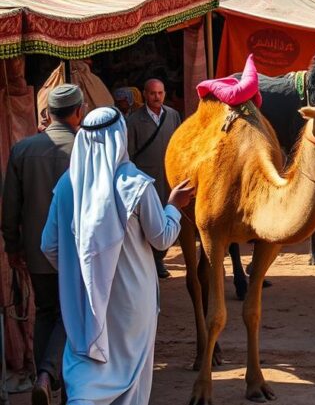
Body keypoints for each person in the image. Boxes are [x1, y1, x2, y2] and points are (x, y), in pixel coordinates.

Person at [40, 107, 190, 405]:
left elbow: (49, 246)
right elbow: (162, 238)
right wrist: (174, 205)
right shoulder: (135, 184)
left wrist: (85, 271)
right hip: (133, 300)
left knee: (88, 368)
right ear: (120, 136)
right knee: (131, 377)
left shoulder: (67, 186)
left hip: (85, 298)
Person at [2, 84, 82, 405]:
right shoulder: (86, 150)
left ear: (47, 114)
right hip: (77, 254)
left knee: (47, 312)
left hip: (36, 253)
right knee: (72, 318)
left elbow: (10, 207)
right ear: (78, 112)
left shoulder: (23, 150)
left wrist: (13, 246)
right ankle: (51, 376)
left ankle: (42, 378)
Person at [125, 78, 182, 279]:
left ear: (164, 94)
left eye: (160, 93)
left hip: (168, 177)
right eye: (152, 93)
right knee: (149, 220)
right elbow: (129, 155)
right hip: (146, 180)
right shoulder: (133, 121)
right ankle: (155, 261)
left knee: (168, 214)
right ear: (145, 94)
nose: (156, 97)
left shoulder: (173, 115)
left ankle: (160, 257)